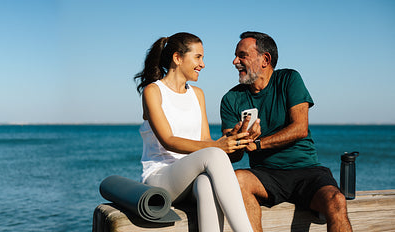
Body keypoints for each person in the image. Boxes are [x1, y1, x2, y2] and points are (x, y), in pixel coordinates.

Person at [220, 31, 352, 232]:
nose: (235, 61)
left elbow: (300, 129)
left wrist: (258, 144)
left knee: (336, 200)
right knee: (237, 180)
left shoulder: (289, 79)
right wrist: (239, 139)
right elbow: (235, 156)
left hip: (306, 171)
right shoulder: (230, 99)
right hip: (265, 175)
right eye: (236, 55)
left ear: (265, 59)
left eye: (242, 55)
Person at [134, 32, 258, 232]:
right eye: (198, 57)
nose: (203, 64)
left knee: (206, 184)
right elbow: (168, 140)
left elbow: (205, 141)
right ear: (177, 58)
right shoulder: (153, 91)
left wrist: (233, 139)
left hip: (189, 177)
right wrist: (217, 146)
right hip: (160, 177)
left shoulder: (197, 95)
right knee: (214, 153)